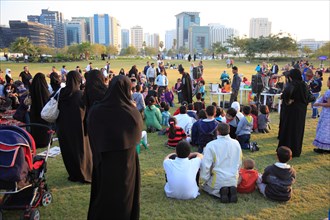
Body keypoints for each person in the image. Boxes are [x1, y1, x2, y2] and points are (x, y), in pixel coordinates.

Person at [87, 75, 142, 220]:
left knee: (104, 194)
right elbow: (137, 136)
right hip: (126, 164)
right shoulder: (132, 112)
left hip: (103, 161)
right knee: (124, 197)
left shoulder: (96, 110)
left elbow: (91, 132)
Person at [57, 71, 92, 183]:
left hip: (63, 127)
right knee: (81, 151)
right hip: (79, 128)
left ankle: (74, 174)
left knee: (69, 151)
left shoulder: (62, 93)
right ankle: (84, 174)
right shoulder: (80, 94)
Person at [201, 123, 242, 203]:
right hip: (233, 179)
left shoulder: (211, 145)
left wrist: (204, 179)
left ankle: (220, 193)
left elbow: (206, 166)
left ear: (218, 131)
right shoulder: (236, 143)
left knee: (206, 188)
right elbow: (239, 162)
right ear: (229, 130)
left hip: (217, 180)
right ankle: (229, 190)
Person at [278, 69, 309, 157]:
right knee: (298, 130)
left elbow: (286, 94)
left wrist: (287, 101)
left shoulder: (292, 85)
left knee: (288, 129)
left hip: (292, 111)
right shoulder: (304, 85)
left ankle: (285, 150)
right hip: (301, 111)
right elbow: (309, 97)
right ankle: (296, 150)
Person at [29, 73, 50, 148]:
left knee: (36, 128)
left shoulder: (33, 89)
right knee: (43, 128)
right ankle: (44, 142)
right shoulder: (45, 90)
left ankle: (36, 141)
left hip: (34, 112)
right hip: (44, 113)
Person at [312, 77, 330, 153]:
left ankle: (323, 148)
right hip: (326, 113)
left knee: (325, 130)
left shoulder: (329, 92)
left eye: (328, 80)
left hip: (327, 114)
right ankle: (324, 148)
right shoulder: (328, 91)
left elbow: (329, 104)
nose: (327, 82)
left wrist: (319, 104)